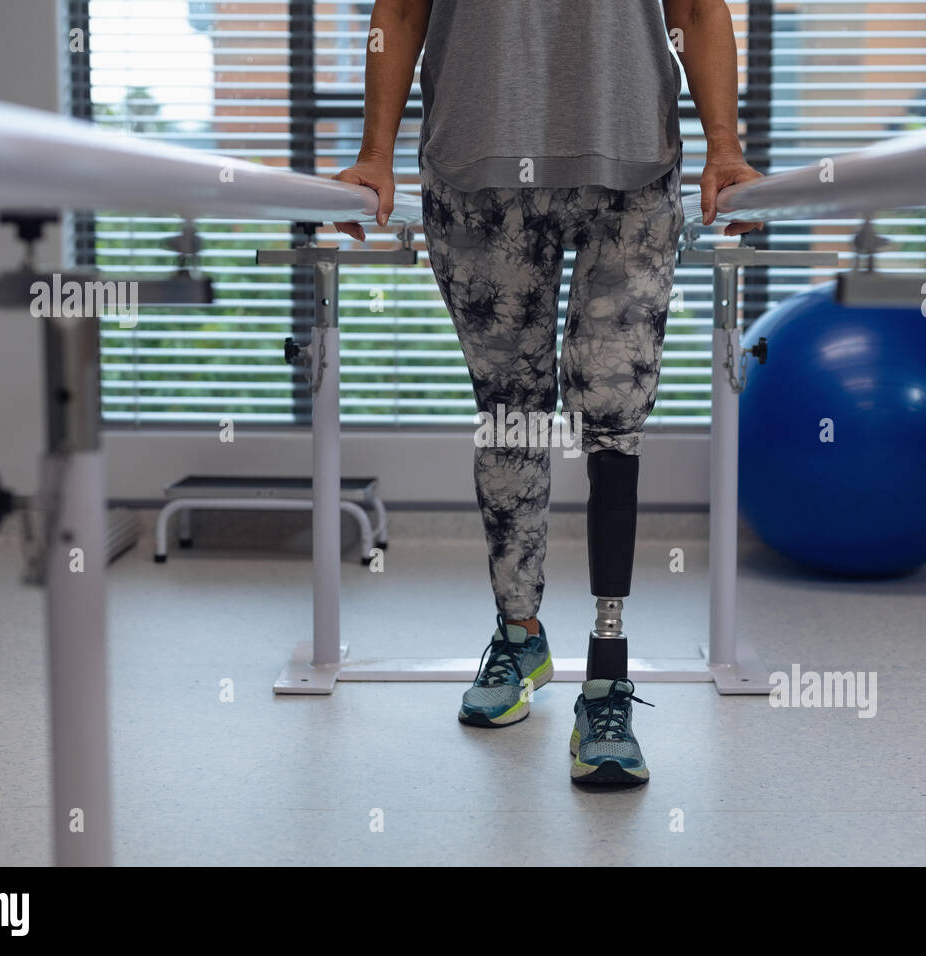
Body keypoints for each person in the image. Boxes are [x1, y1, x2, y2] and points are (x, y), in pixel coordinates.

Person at [334, 0, 762, 786]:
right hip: (476, 170)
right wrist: (374, 154)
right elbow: (397, 9)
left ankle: (607, 677)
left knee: (611, 420)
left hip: (630, 170)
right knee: (510, 415)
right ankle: (519, 634)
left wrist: (725, 149)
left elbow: (698, 8)